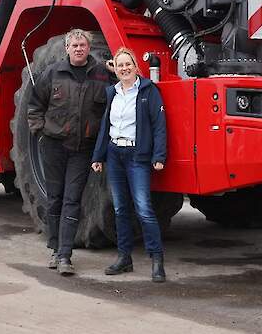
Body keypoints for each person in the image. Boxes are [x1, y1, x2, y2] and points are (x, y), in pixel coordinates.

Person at [27, 29, 112, 276]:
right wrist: (40, 132)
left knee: (72, 200)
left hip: (82, 149)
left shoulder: (101, 75)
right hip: (54, 145)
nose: (78, 49)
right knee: (55, 198)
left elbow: (116, 99)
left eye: (82, 45)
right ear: (67, 48)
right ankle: (55, 247)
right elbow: (35, 105)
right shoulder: (52, 74)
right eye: (74, 45)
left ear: (88, 48)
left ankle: (65, 255)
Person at [91, 47, 168, 283]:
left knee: (144, 209)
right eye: (120, 64)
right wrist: (98, 156)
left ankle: (157, 261)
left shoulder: (148, 90)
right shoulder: (112, 93)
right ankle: (124, 258)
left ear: (136, 66)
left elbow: (159, 125)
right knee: (120, 209)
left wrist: (159, 156)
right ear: (115, 68)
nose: (124, 68)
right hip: (115, 154)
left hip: (138, 156)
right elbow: (106, 127)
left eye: (128, 64)